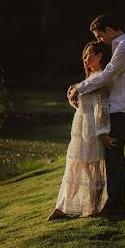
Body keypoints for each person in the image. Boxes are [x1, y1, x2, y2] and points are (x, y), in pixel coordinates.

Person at [67, 15, 125, 215]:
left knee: (114, 157)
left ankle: (113, 206)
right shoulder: (120, 46)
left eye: (99, 36)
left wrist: (79, 87)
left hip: (121, 108)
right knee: (113, 157)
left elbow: (107, 75)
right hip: (119, 107)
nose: (100, 41)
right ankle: (115, 205)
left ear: (108, 30)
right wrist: (76, 89)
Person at [49, 41, 115, 220]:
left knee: (92, 169)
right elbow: (79, 98)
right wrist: (72, 95)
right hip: (80, 129)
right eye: (84, 56)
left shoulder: (100, 78)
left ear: (99, 56)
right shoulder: (91, 78)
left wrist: (102, 134)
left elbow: (101, 107)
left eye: (88, 55)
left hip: (92, 130)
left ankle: (92, 208)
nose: (85, 59)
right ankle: (63, 206)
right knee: (77, 166)